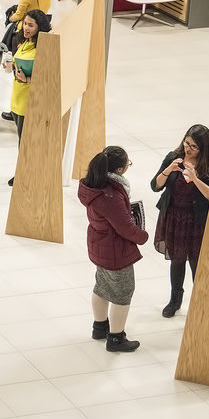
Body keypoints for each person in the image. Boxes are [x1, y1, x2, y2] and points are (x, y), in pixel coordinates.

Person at [78, 146, 149, 352]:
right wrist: (142, 236)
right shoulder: (111, 195)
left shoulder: (93, 185)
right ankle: (116, 338)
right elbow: (125, 227)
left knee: (102, 285)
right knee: (122, 293)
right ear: (119, 170)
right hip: (115, 251)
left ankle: (99, 327)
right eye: (128, 163)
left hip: (99, 245)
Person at [150, 124, 209, 317]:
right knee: (177, 260)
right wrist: (167, 171)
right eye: (187, 143)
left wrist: (195, 179)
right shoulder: (174, 157)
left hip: (196, 221)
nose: (188, 148)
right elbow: (155, 186)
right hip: (174, 217)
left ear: (203, 148)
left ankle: (201, 302)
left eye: (193, 146)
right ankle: (175, 300)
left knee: (197, 262)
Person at [2, 9, 51, 186]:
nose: (26, 28)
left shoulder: (43, 48)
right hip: (17, 100)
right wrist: (10, 66)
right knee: (22, 142)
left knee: (26, 144)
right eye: (25, 24)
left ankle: (24, 175)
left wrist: (28, 78)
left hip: (29, 103)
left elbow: (47, 75)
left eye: (31, 25)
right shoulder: (24, 42)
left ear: (40, 28)